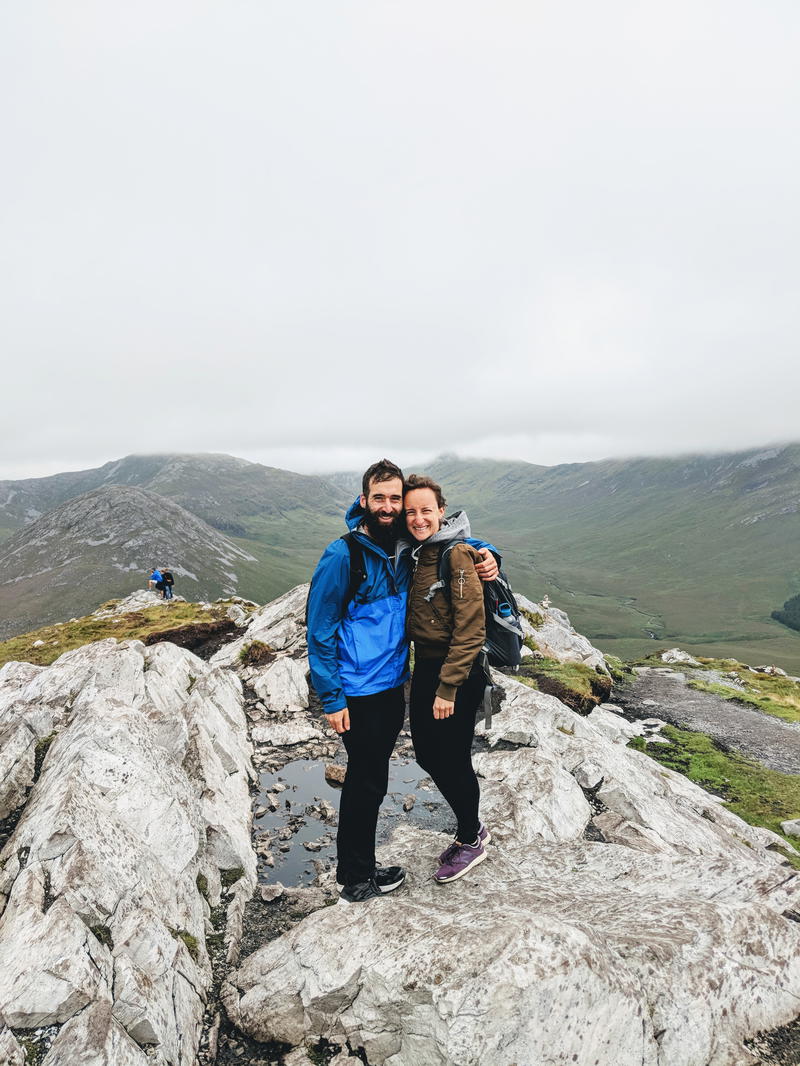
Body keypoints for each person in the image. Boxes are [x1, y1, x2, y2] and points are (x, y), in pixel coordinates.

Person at [306, 459, 499, 904]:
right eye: (382, 498)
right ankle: (356, 878)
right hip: (358, 691)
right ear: (364, 501)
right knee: (366, 782)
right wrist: (331, 698)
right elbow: (319, 630)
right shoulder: (344, 555)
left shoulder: (403, 545)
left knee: (376, 778)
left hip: (394, 685)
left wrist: (489, 554)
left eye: (397, 499)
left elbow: (452, 542)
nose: (392, 508)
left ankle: (373, 863)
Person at [405, 473, 490, 884]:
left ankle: (471, 839)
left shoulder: (455, 555)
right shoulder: (418, 551)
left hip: (455, 672)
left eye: (426, 510)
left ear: (442, 511)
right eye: (411, 512)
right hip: (426, 669)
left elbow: (471, 628)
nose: (418, 519)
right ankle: (471, 828)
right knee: (426, 753)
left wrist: (448, 687)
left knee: (452, 757)